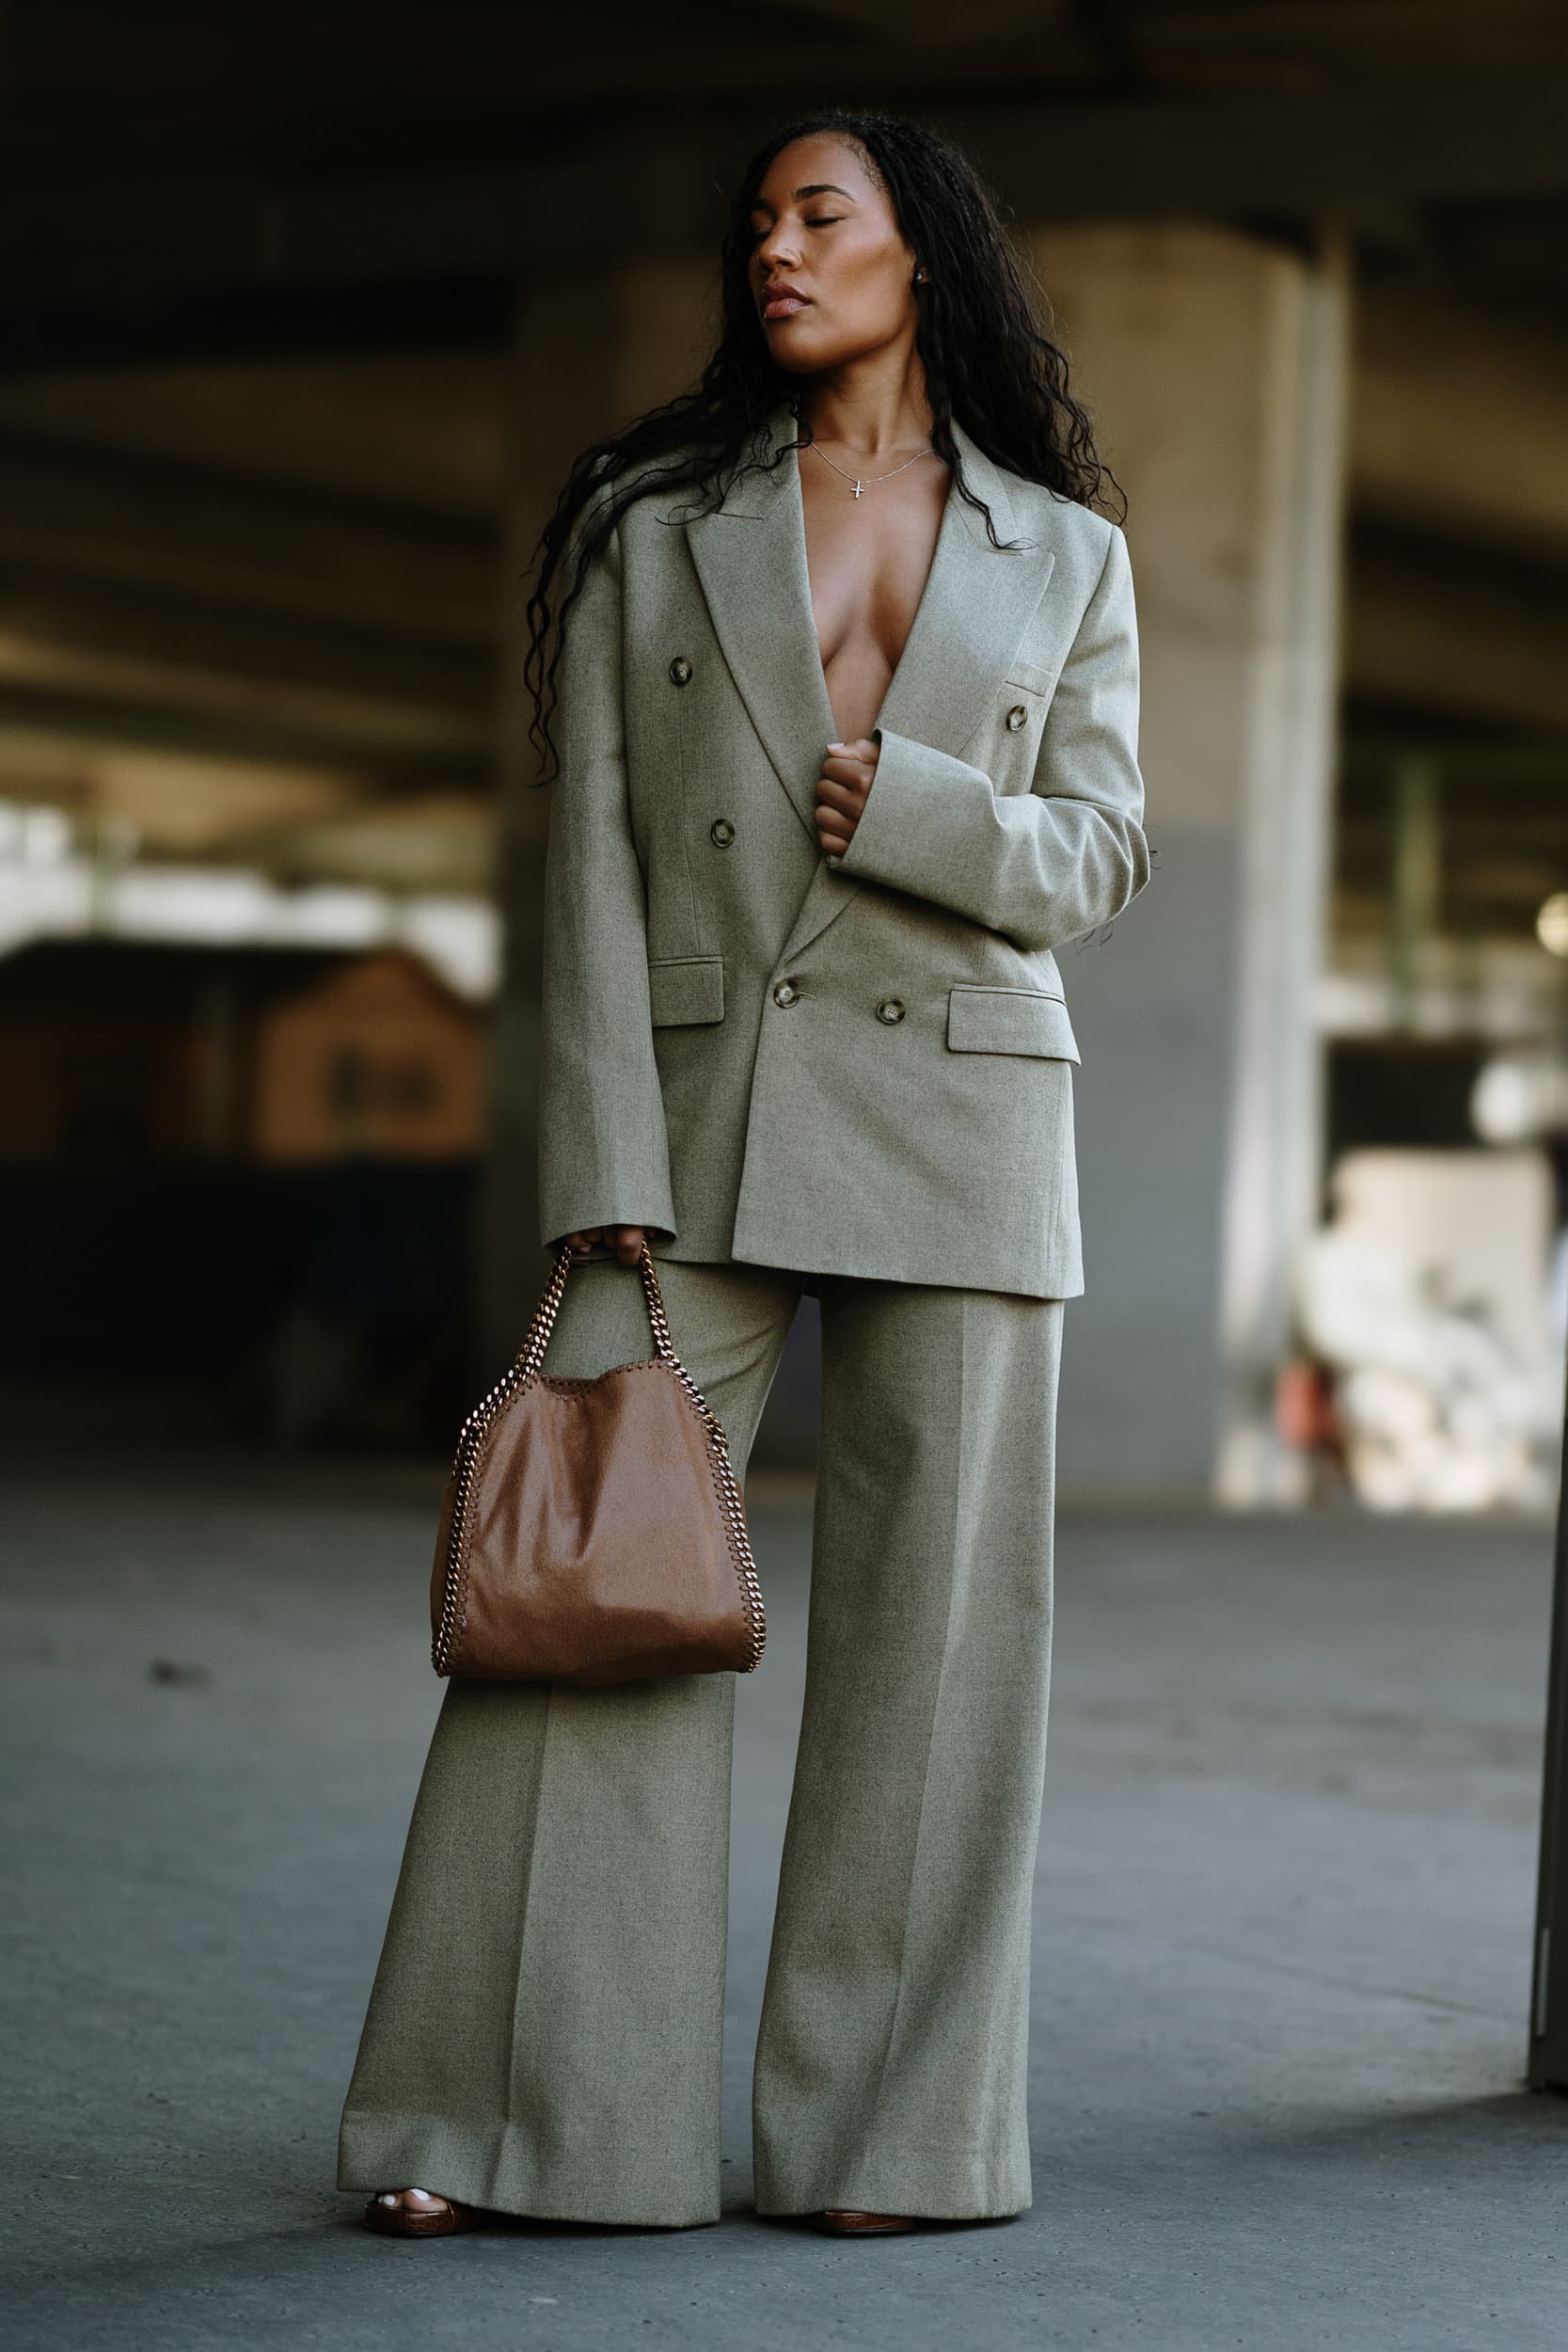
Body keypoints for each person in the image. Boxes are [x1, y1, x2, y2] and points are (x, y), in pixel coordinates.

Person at [338, 105, 1148, 2239]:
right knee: (578, 1600)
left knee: (938, 1655)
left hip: (968, 1112)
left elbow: (1102, 851)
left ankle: (890, 2139)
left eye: (820, 214)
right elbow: (592, 843)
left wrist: (931, 812)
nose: (772, 251)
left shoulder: (1063, 548)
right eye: (756, 224)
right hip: (690, 1121)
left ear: (921, 250)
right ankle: (513, 2117)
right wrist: (598, 1144)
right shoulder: (653, 521)